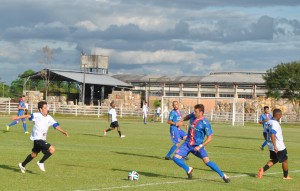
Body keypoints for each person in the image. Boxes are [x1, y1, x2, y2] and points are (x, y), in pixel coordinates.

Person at [172, 104, 230, 183]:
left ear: (201, 112)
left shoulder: (205, 123)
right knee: (175, 158)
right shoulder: (193, 115)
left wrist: (200, 146)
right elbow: (188, 116)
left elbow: (210, 138)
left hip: (197, 146)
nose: (194, 113)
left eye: (196, 112)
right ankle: (188, 169)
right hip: (187, 144)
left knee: (207, 162)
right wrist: (181, 120)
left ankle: (223, 175)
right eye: (194, 111)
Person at [15, 101, 68, 173]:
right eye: (45, 108)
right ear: (40, 109)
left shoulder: (49, 117)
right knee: (52, 149)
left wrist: (63, 131)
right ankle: (40, 162)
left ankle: (22, 165)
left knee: (34, 154)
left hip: (41, 139)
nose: (47, 109)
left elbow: (56, 125)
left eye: (47, 107)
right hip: (37, 139)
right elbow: (27, 116)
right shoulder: (37, 115)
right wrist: (17, 117)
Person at [257, 109, 292, 180]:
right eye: (280, 115)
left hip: (270, 145)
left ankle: (263, 169)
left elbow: (264, 133)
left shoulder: (267, 122)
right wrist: (275, 146)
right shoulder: (275, 123)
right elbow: (272, 134)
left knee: (275, 159)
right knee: (285, 160)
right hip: (278, 146)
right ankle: (286, 176)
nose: (281, 117)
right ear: (277, 115)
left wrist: (268, 141)